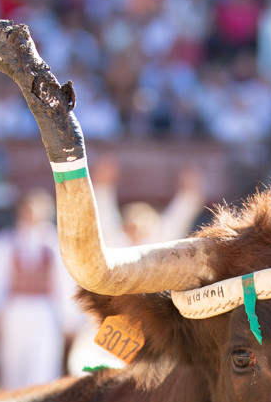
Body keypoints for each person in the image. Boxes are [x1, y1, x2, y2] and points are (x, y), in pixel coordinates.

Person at [66, 156, 204, 373]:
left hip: (148, 326)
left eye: (142, 225)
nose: (136, 230)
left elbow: (178, 217)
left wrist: (189, 191)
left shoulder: (158, 247)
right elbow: (104, 215)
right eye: (132, 225)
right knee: (85, 367)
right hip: (109, 320)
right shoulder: (115, 244)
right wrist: (102, 184)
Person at [0, 190, 78, 391]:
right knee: (13, 365)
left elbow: (65, 282)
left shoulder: (54, 242)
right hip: (15, 308)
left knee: (43, 365)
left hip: (44, 311)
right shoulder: (5, 241)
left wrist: (69, 318)